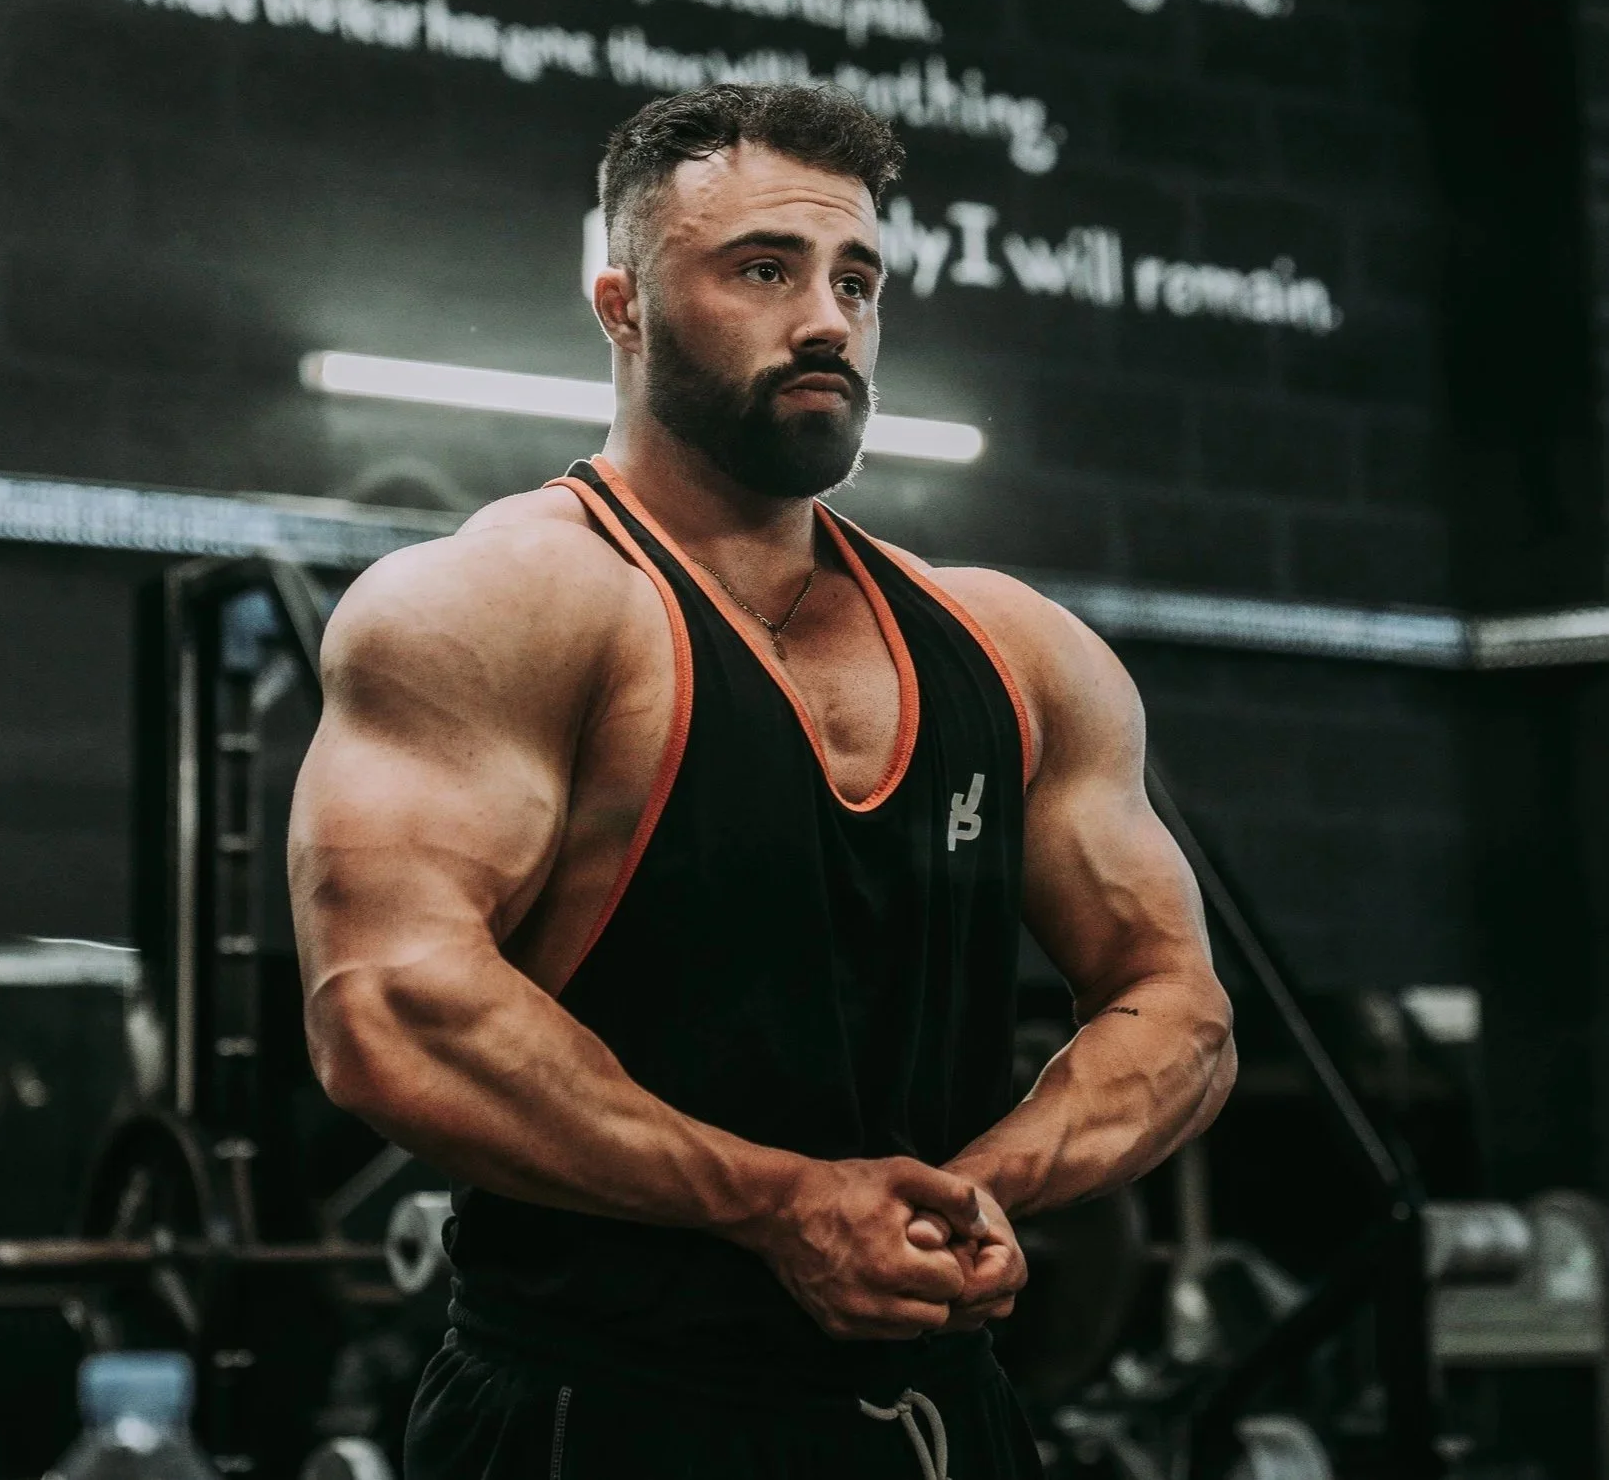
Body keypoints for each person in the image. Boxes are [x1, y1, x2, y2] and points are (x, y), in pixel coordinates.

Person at [289, 83, 1236, 1479]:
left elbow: (1181, 1012)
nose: (826, 319)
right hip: (597, 1417)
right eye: (762, 269)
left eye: (856, 278)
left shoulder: (1018, 650)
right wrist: (778, 1204)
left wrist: (978, 1188)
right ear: (620, 306)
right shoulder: (494, 604)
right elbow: (389, 1014)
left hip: (944, 1418)